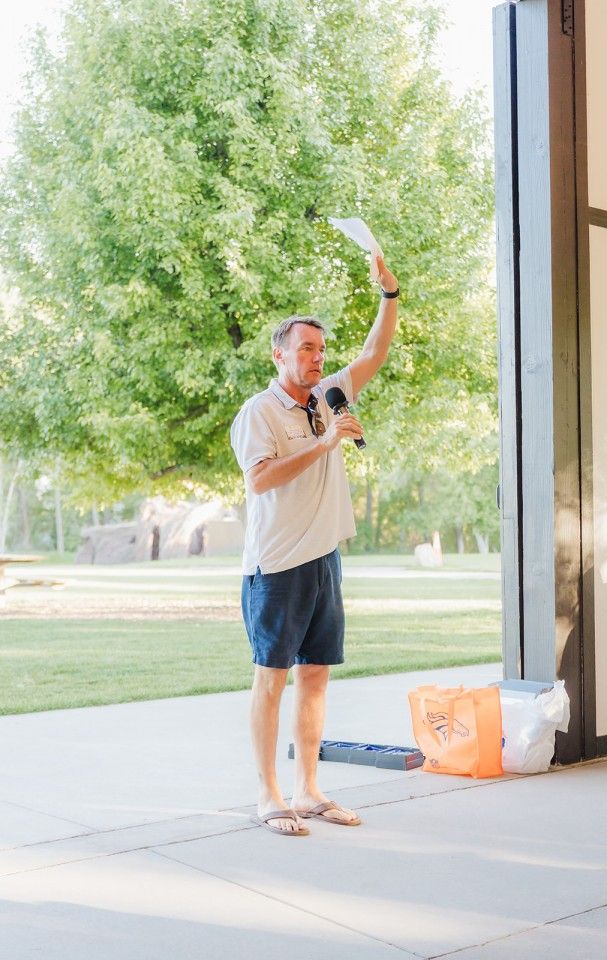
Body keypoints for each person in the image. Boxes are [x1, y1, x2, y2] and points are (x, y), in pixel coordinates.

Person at [230, 255, 398, 836]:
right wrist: (326, 444)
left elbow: (374, 353)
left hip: (324, 560)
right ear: (279, 354)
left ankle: (309, 788)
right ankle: (269, 796)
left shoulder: (329, 395)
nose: (317, 358)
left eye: (321, 350)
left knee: (317, 677)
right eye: (305, 349)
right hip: (277, 566)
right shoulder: (259, 411)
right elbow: (260, 478)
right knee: (271, 679)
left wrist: (390, 295)